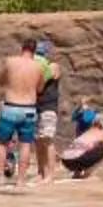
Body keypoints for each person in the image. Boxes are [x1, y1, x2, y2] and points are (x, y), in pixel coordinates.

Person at [0, 44, 48, 186]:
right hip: (29, 109)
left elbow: (0, 81)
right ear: (34, 51)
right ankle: (20, 180)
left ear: (22, 48)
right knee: (25, 144)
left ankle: (0, 178)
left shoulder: (10, 61)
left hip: (10, 107)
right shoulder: (38, 67)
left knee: (2, 143)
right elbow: (40, 88)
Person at [30, 41, 67, 181]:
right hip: (36, 107)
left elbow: (46, 78)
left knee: (47, 140)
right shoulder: (38, 66)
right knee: (38, 142)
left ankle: (50, 174)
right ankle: (41, 172)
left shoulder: (53, 66)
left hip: (48, 107)